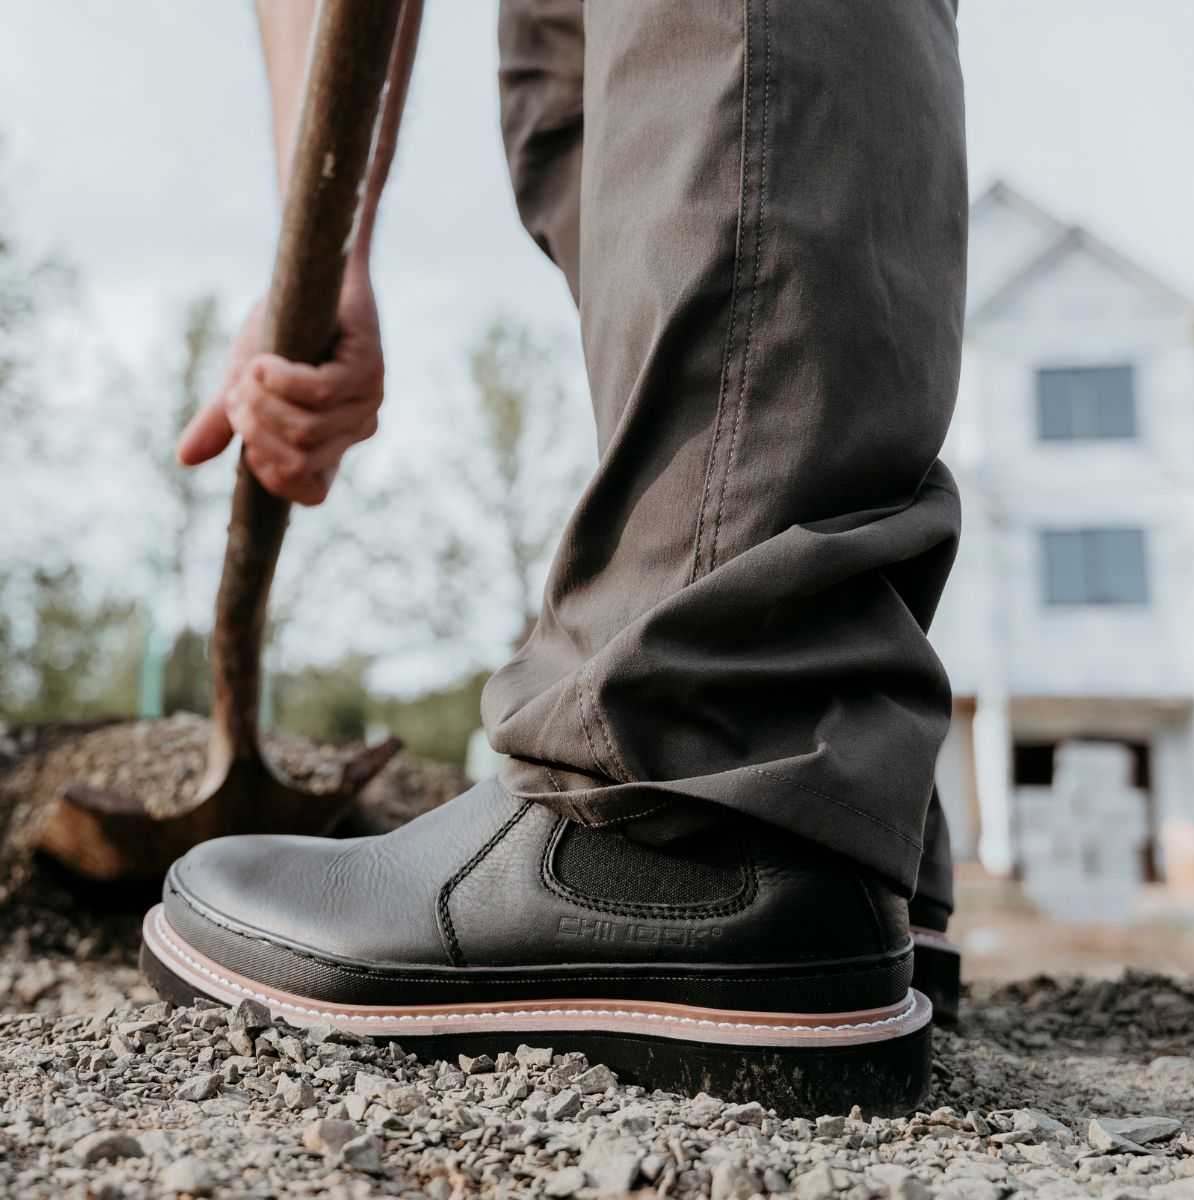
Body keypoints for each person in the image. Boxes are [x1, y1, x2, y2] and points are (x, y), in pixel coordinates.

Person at [146, 0, 967, 1115]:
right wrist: (330, 231)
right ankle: (830, 798)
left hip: (711, 778)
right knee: (584, 90)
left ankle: (709, 783)